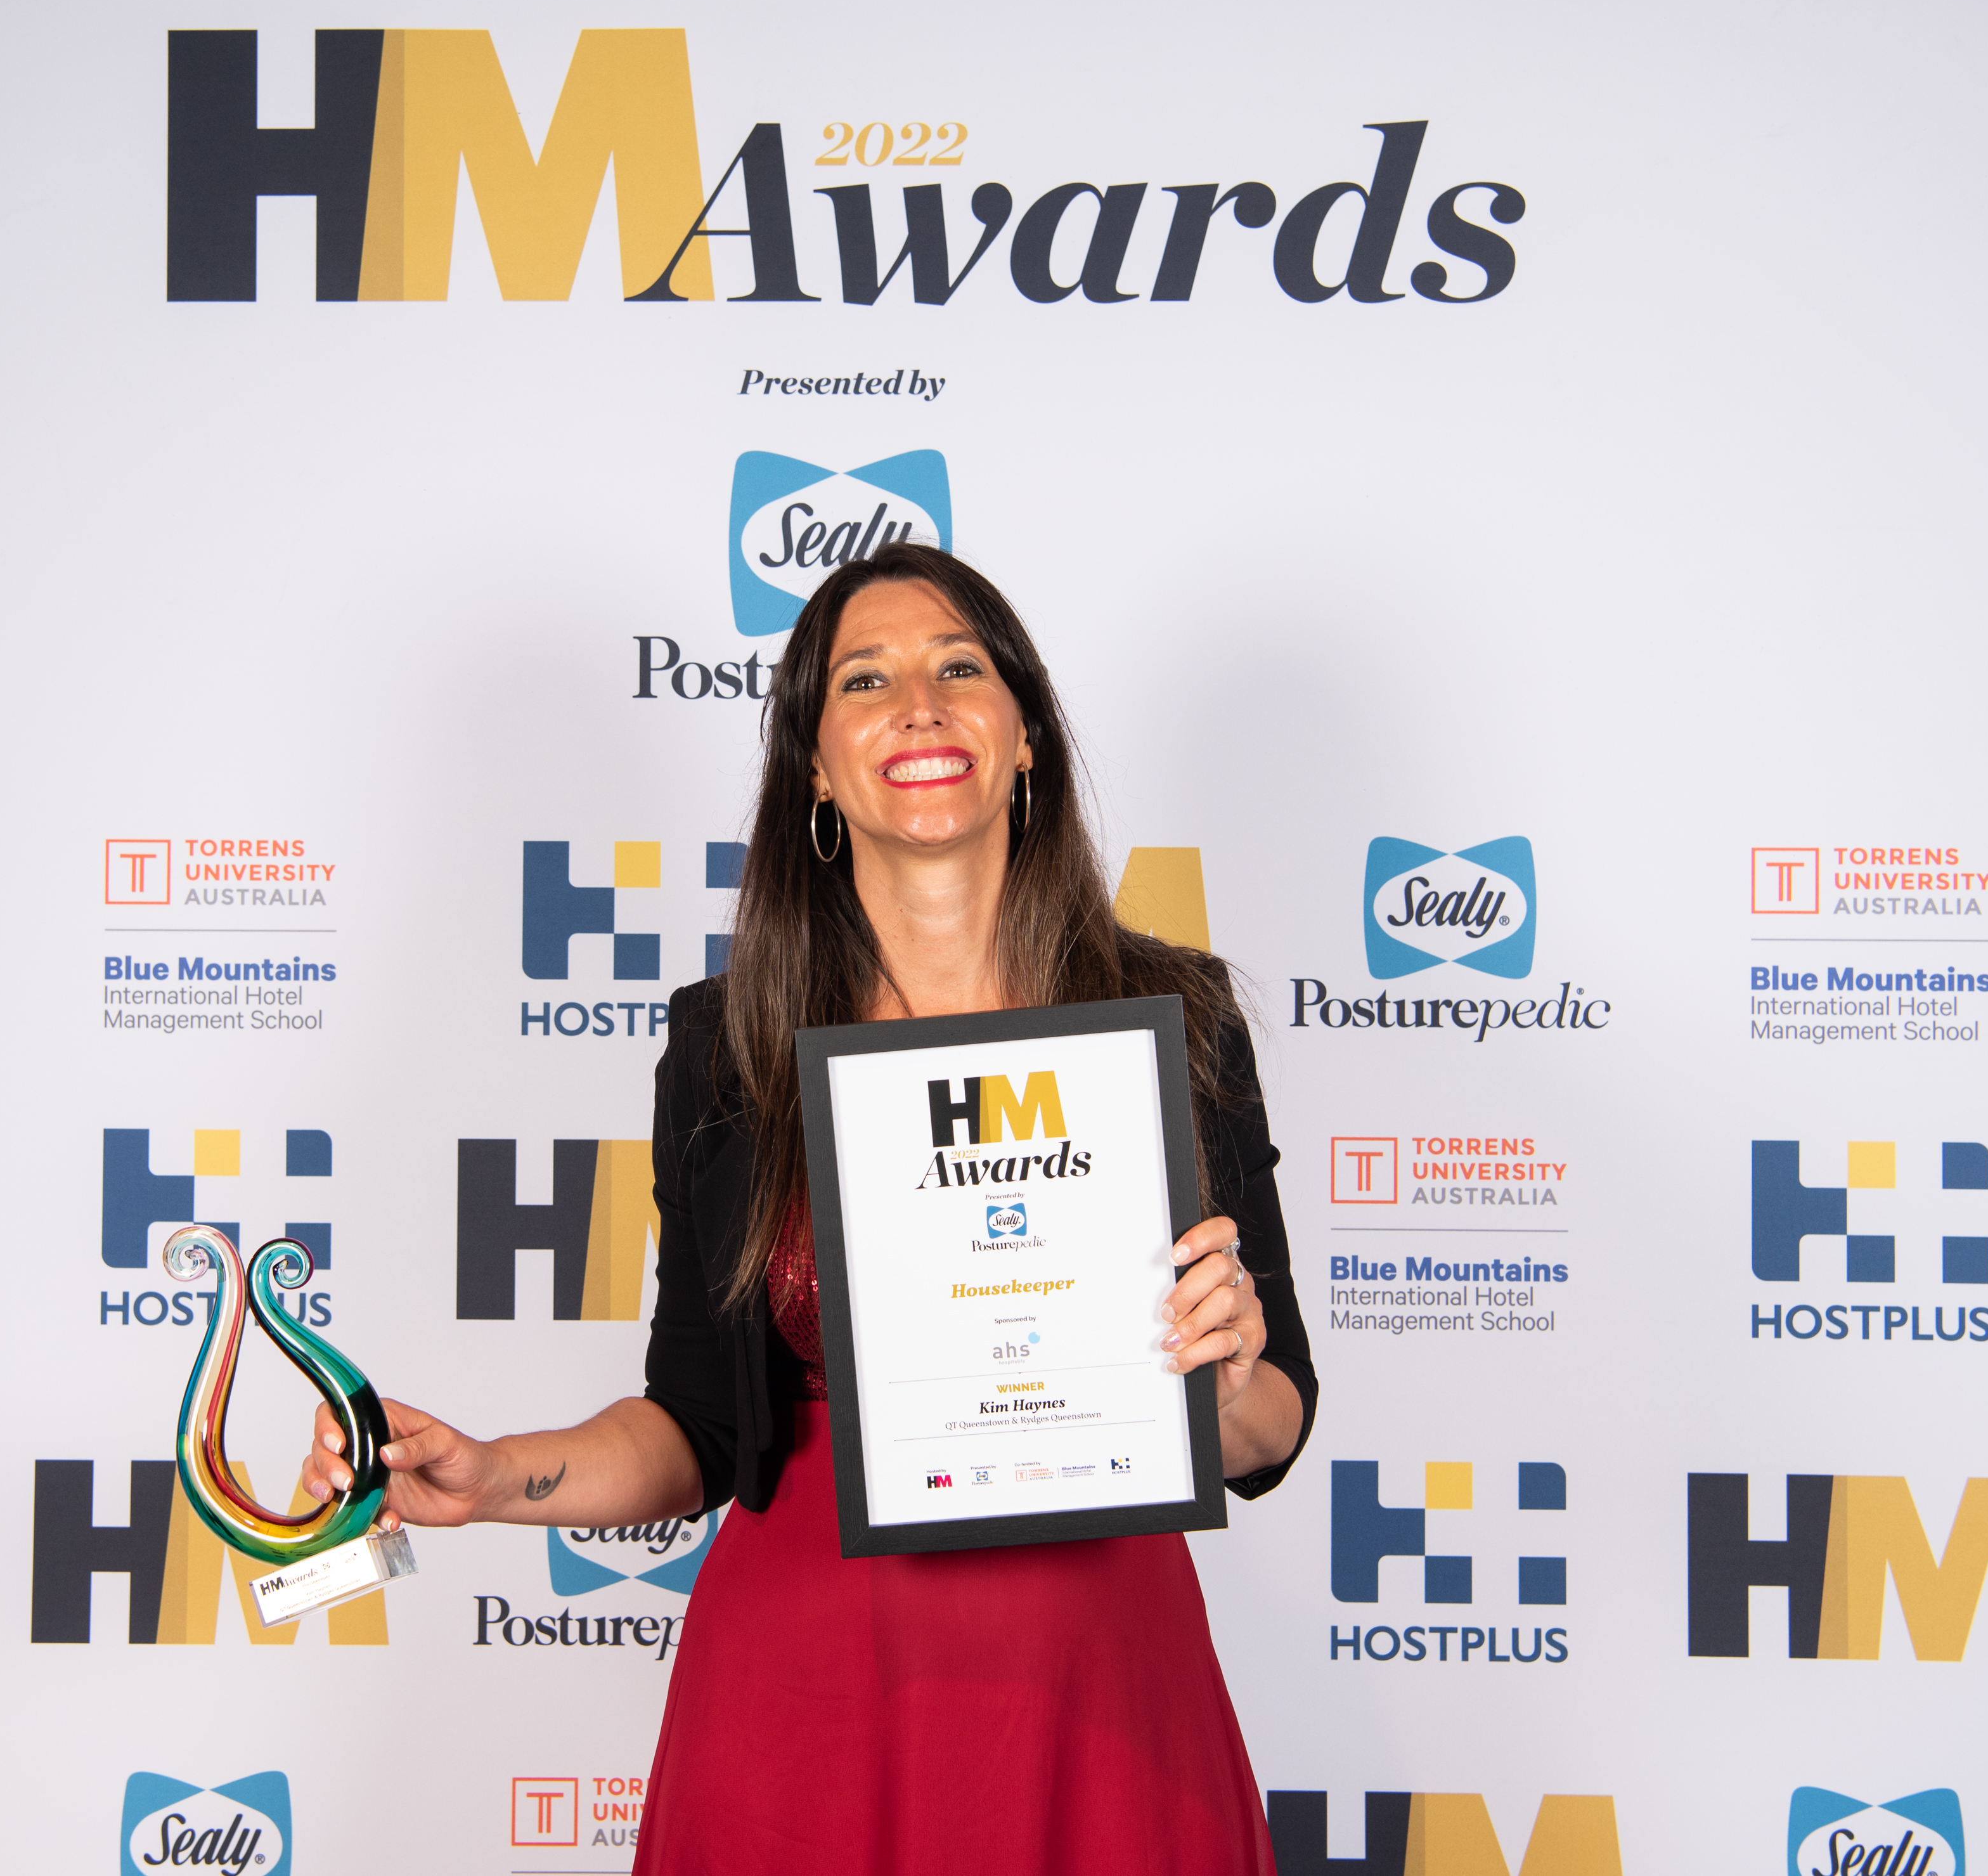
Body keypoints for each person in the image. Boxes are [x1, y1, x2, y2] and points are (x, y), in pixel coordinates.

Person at [302, 543, 1314, 1873]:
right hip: (807, 1698)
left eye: (961, 667)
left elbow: (1273, 1423)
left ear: (1025, 736)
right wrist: (493, 1474)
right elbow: (697, 1426)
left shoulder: (1175, 1021)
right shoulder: (729, 1047)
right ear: (817, 768)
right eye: (865, 680)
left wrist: (1223, 1378)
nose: (920, 705)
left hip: (1106, 1692)